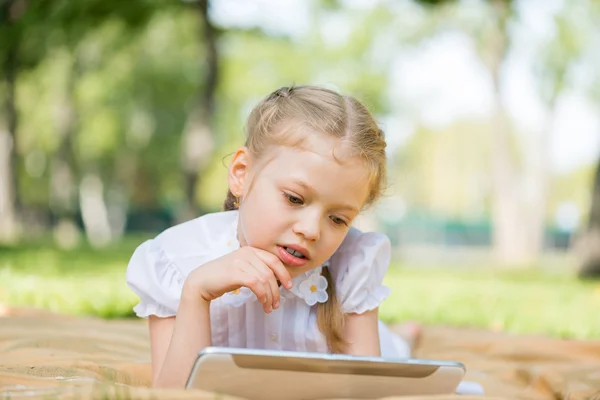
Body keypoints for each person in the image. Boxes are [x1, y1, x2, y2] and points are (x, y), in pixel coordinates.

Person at [126, 85, 421, 389]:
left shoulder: (350, 264)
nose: (311, 230)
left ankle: (403, 338)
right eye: (294, 199)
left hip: (382, 346)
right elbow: (172, 393)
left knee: (395, 354)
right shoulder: (177, 261)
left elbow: (364, 391)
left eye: (337, 219)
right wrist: (196, 294)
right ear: (242, 173)